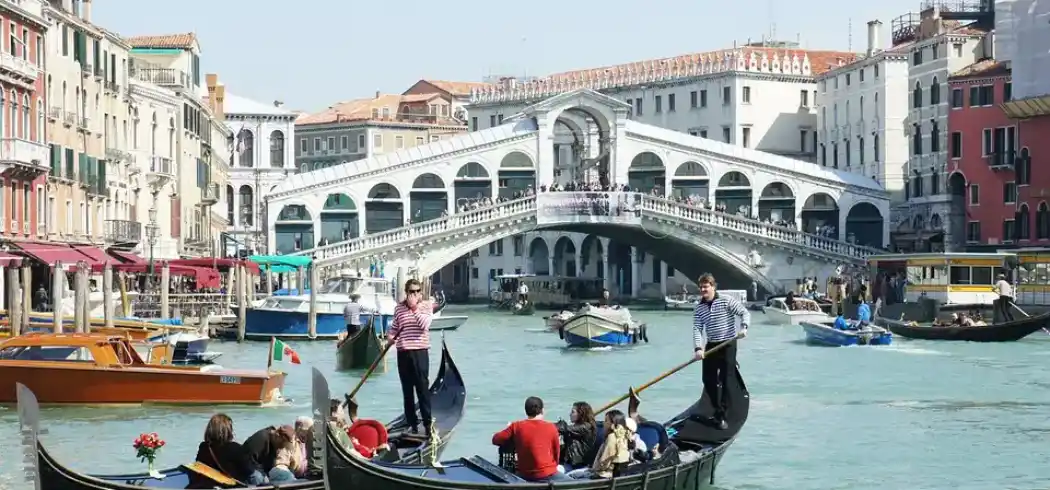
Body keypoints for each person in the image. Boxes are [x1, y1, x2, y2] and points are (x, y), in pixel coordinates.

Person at [692, 273, 748, 431]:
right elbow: (697, 329)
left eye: (706, 286)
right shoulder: (699, 307)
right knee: (707, 378)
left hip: (728, 343)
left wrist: (744, 327)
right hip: (712, 344)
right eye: (701, 287)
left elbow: (744, 313)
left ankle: (722, 414)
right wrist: (698, 348)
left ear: (713, 287)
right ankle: (716, 407)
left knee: (725, 377)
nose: (703, 289)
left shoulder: (726, 300)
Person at [388, 278, 434, 436]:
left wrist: (414, 308)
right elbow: (395, 327)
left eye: (417, 291)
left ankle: (428, 424)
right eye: (411, 292)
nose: (415, 294)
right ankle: (412, 424)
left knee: (422, 389)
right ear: (406, 293)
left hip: (420, 352)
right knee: (407, 391)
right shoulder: (399, 308)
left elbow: (425, 325)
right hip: (403, 353)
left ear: (420, 292)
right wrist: (390, 337)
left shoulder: (426, 306)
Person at [491, 396, 569, 482]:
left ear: (526, 411)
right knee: (574, 483)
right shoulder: (551, 427)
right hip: (548, 474)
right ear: (542, 410)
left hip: (525, 474)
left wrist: (510, 431)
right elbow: (556, 454)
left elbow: (496, 439)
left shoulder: (516, 426)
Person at [189, 414, 253, 489]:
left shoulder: (204, 446)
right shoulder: (235, 447)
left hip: (206, 485)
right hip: (229, 486)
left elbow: (198, 466)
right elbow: (248, 470)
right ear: (228, 430)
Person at [554, 401, 597, 472]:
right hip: (568, 463)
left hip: (579, 466)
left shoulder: (587, 427)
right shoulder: (575, 427)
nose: (570, 414)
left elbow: (564, 428)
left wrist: (556, 426)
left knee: (554, 472)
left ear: (581, 414)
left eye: (573, 412)